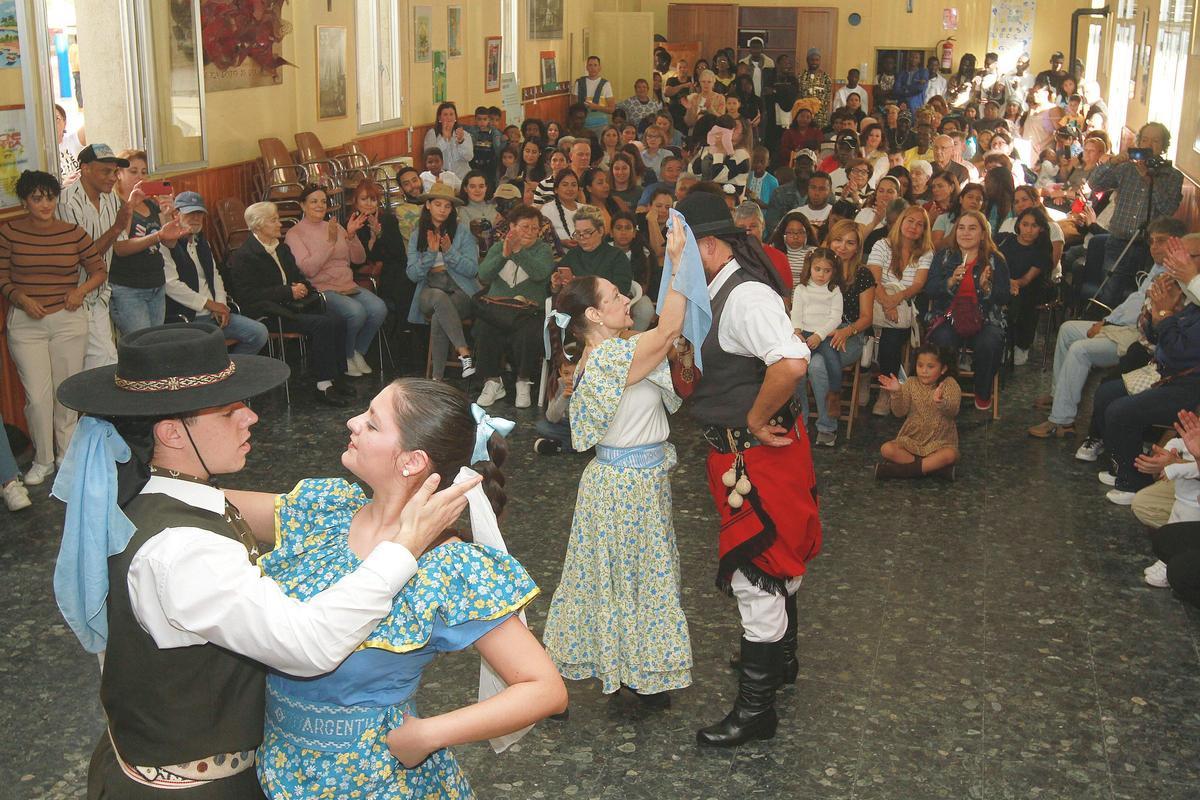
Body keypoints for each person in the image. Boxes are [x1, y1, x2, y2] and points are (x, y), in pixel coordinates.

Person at [50, 322, 487, 798]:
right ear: (173, 432)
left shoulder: (164, 495)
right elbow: (308, 645)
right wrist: (403, 548)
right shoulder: (182, 550)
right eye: (228, 410)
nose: (250, 418)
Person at [675, 191, 821, 748]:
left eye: (678, 246)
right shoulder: (711, 291)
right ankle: (781, 663)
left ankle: (757, 711)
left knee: (757, 573)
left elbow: (791, 361)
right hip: (738, 458)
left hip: (757, 457)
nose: (670, 257)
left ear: (707, 245)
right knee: (774, 562)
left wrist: (758, 417)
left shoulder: (746, 297)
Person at [542, 218, 692, 708]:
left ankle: (632, 669)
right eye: (615, 296)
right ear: (595, 314)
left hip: (635, 482)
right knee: (628, 580)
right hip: (624, 487)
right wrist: (676, 261)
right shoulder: (609, 359)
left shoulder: (616, 350)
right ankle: (631, 673)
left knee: (627, 579)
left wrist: (674, 267)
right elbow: (669, 326)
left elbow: (663, 329)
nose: (627, 299)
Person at [1028, 219, 1188, 441]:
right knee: (1067, 330)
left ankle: (1062, 421)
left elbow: (1142, 310)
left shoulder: (1176, 274)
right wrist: (1107, 320)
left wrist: (1107, 324)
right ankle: (1059, 396)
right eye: (1151, 242)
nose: (1154, 247)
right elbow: (1135, 299)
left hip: (1140, 336)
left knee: (1080, 350)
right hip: (1126, 325)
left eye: (1160, 241)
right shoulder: (1159, 266)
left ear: (1177, 243)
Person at [0, 170, 106, 486]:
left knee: (66, 392)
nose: (45, 204)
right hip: (25, 322)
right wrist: (19, 297)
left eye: (50, 197)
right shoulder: (9, 233)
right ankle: (43, 460)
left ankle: (67, 457)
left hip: (68, 319)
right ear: (24, 201)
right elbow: (2, 276)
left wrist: (80, 291)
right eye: (37, 198)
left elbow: (98, 270)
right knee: (37, 396)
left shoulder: (73, 232)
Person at [1087, 235, 1200, 505]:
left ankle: (1133, 484)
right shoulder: (1187, 293)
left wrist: (1165, 316)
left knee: (1121, 411)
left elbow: (1178, 352)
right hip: (1164, 373)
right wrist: (1153, 313)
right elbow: (1154, 339)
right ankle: (1123, 467)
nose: (1174, 263)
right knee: (1106, 394)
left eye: (1183, 256)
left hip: (1189, 386)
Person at [227, 202, 357, 407]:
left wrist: (302, 286)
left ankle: (336, 376)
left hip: (293, 306)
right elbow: (247, 295)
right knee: (322, 325)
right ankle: (323, 386)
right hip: (270, 313)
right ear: (259, 225)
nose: (280, 224)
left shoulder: (281, 248)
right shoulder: (244, 256)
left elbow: (298, 275)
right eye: (274, 220)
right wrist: (288, 291)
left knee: (338, 320)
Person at [285, 185, 387, 378]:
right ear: (303, 206)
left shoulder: (335, 226)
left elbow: (358, 259)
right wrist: (329, 243)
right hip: (320, 288)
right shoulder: (295, 234)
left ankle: (357, 351)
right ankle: (345, 357)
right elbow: (308, 269)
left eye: (323, 201)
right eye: (314, 201)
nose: (320, 205)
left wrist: (351, 236)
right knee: (355, 312)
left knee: (378, 308)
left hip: (347, 285)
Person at [56, 143, 136, 369]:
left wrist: (159, 236)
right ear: (85, 168)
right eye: (105, 171)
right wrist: (117, 227)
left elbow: (118, 247)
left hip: (100, 295)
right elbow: (82, 257)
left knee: (103, 363)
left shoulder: (111, 198)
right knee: (102, 364)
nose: (112, 178)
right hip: (73, 299)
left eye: (114, 172)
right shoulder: (66, 203)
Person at [1088, 122, 1185, 309]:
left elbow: (1167, 209)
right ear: (1139, 142)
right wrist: (1112, 162)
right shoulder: (1126, 168)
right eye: (1145, 139)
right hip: (1118, 242)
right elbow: (1094, 183)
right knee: (1108, 295)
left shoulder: (1173, 176)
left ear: (1164, 146)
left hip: (1151, 248)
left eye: (1156, 141)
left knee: (1142, 299)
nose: (1149, 145)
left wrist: (1148, 180)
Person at [161, 191, 269, 355]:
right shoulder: (166, 245)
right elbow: (171, 286)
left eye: (199, 214)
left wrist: (221, 305)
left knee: (259, 333)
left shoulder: (202, 242)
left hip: (214, 314)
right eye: (190, 213)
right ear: (176, 214)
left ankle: (231, 371)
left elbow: (215, 275)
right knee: (211, 345)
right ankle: (219, 373)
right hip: (188, 318)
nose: (196, 218)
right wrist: (209, 304)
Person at [924, 211, 1011, 411]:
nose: (965, 233)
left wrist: (987, 288)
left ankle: (982, 390)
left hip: (986, 319)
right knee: (943, 339)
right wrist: (951, 281)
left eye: (972, 228)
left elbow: (1005, 297)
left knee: (989, 342)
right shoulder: (944, 256)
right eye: (961, 228)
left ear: (982, 234)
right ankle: (947, 392)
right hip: (948, 317)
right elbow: (930, 289)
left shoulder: (996, 259)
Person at [472, 204, 555, 409]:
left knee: (528, 332)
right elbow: (484, 275)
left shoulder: (543, 250)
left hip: (529, 310)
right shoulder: (499, 247)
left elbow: (540, 273)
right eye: (525, 226)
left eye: (534, 228)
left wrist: (518, 252)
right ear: (512, 227)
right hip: (497, 309)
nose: (530, 232)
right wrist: (504, 255)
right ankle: (492, 382)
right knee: (484, 328)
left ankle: (523, 381)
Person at [406, 182, 480, 380]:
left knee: (441, 315)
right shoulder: (416, 235)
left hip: (459, 289)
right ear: (428, 205)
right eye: (438, 204)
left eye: (447, 206)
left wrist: (449, 252)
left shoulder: (462, 232)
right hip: (430, 289)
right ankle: (464, 351)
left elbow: (472, 269)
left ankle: (436, 379)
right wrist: (430, 254)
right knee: (438, 299)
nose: (443, 210)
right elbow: (412, 274)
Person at [865, 205, 933, 412]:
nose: (913, 227)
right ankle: (864, 379)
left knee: (891, 340)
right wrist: (886, 303)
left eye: (919, 224)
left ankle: (887, 391)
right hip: (875, 300)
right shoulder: (881, 245)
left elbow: (917, 285)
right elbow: (873, 278)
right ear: (901, 221)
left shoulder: (926, 252)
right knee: (863, 334)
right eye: (910, 221)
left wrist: (894, 301)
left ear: (924, 230)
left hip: (903, 305)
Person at [875, 344, 961, 479]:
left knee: (949, 455)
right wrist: (897, 393)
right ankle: (932, 470)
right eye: (920, 366)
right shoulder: (911, 382)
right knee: (886, 449)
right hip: (912, 440)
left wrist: (941, 402)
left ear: (943, 369)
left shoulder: (950, 383)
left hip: (940, 441)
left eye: (930, 367)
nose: (924, 371)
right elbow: (899, 412)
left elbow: (953, 410)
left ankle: (901, 471)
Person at [347, 180, 418, 342]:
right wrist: (372, 240)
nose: (369, 204)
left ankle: (405, 328)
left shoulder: (388, 220)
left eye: (373, 199)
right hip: (368, 272)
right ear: (356, 202)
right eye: (364, 199)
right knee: (400, 280)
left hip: (392, 266)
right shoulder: (351, 223)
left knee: (406, 275)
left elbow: (398, 253)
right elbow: (357, 261)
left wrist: (379, 235)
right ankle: (402, 329)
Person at [790, 247, 844, 424]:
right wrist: (797, 332)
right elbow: (796, 312)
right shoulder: (801, 289)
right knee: (795, 370)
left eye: (827, 271)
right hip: (804, 335)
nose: (821, 274)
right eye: (817, 269)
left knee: (833, 362)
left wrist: (819, 335)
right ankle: (801, 418)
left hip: (825, 335)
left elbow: (835, 318)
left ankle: (834, 395)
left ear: (833, 271)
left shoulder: (834, 290)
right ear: (809, 268)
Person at [997, 206, 1052, 366]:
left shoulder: (1041, 251)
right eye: (1025, 224)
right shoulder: (1005, 240)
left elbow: (1027, 279)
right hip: (1002, 282)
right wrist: (1005, 282)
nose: (1028, 230)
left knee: (1022, 297)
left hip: (1030, 288)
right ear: (1018, 225)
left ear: (1040, 229)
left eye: (1034, 226)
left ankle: (1021, 344)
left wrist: (1013, 283)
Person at [686, 115, 751, 199]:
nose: (730, 129)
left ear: (743, 134)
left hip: (727, 201)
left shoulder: (741, 154)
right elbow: (693, 171)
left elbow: (719, 176)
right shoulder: (712, 147)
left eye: (736, 127)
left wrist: (719, 151)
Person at [423, 102, 474, 180]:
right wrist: (444, 139)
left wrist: (461, 141)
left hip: (462, 177)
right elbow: (430, 157)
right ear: (439, 118)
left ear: (455, 117)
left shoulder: (464, 134)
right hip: (441, 178)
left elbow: (469, 157)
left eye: (451, 114)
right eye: (445, 115)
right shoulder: (432, 134)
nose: (449, 118)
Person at [769, 210, 817, 288]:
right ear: (783, 233)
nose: (795, 237)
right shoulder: (774, 251)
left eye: (800, 232)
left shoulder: (814, 252)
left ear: (807, 233)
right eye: (791, 232)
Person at [576, 55, 615, 132]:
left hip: (601, 126)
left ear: (599, 68)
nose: (593, 68)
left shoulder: (606, 84)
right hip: (583, 126)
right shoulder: (579, 83)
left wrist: (596, 107)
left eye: (595, 65)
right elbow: (573, 107)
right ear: (586, 67)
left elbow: (611, 109)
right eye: (590, 65)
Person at [796, 48, 832, 128]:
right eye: (812, 60)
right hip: (804, 117)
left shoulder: (826, 78)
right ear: (807, 60)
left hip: (821, 118)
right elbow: (798, 97)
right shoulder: (800, 77)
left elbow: (828, 99)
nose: (814, 62)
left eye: (817, 60)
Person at [894, 52, 929, 117]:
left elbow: (920, 88)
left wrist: (905, 88)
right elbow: (896, 90)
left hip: (916, 107)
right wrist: (915, 85)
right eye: (912, 57)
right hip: (902, 105)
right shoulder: (902, 73)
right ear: (908, 58)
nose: (914, 59)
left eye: (916, 58)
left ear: (919, 60)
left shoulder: (923, 72)